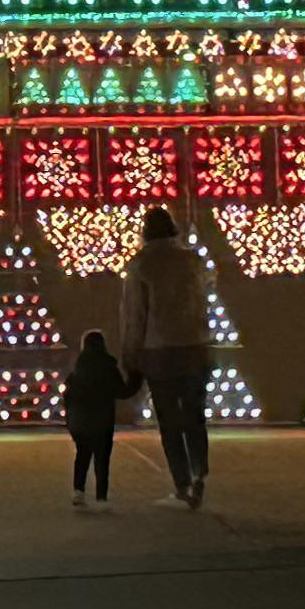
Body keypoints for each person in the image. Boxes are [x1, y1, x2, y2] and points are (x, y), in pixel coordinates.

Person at [122, 208, 217, 507]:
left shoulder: (141, 266)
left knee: (169, 419)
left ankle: (181, 485)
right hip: (196, 347)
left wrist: (131, 354)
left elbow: (135, 315)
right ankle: (199, 473)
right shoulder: (193, 261)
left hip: (160, 351)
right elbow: (206, 295)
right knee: (194, 415)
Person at [60, 330, 128, 505]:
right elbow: (122, 391)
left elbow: (67, 397)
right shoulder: (109, 367)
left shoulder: (78, 369)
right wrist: (137, 378)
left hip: (80, 422)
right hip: (103, 421)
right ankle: (101, 495)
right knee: (102, 458)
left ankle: (78, 491)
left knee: (82, 455)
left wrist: (70, 419)